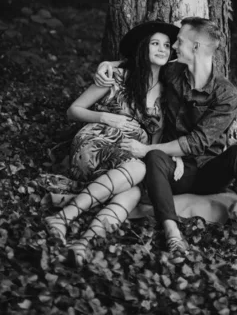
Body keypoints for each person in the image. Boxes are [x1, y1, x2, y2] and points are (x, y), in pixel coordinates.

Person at [95, 17, 237, 271]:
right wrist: (111, 64)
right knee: (155, 158)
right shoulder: (173, 73)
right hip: (175, 171)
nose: (173, 47)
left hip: (210, 171)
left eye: (179, 42)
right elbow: (142, 66)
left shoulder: (226, 95)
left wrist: (148, 149)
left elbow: (196, 143)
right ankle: (173, 235)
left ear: (195, 48)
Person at [45, 20, 182, 266]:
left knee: (136, 189)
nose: (162, 49)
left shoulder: (167, 92)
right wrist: (107, 116)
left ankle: (84, 240)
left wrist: (169, 156)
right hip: (94, 143)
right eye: (155, 43)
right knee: (139, 171)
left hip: (126, 161)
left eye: (166, 45)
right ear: (143, 48)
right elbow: (73, 110)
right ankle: (66, 216)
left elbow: (157, 139)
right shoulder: (116, 76)